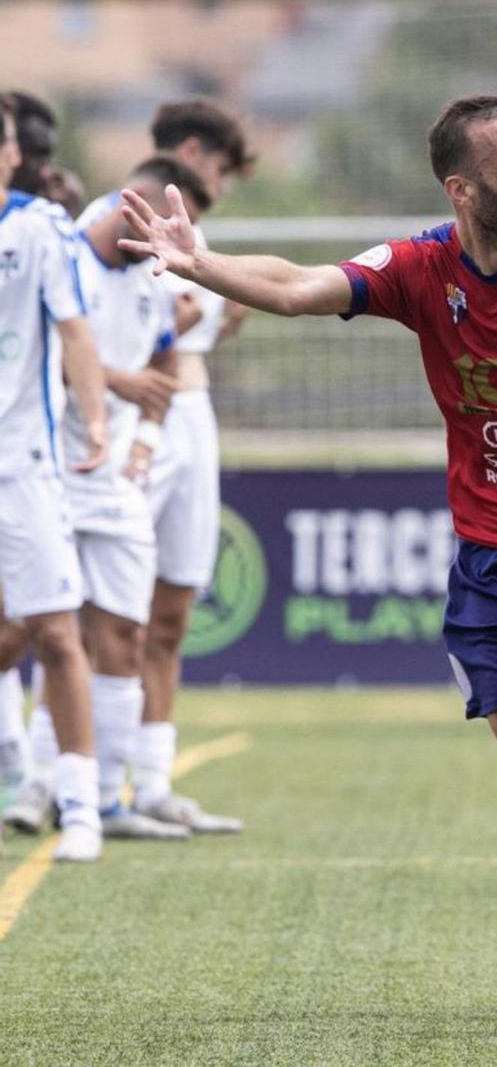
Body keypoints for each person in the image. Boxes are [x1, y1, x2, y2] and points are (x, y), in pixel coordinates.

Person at [118, 94, 497, 1014]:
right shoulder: (415, 269)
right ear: (461, 187)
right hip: (489, 563)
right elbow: (298, 286)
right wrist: (202, 263)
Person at [62, 157, 210, 841]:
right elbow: (39, 351)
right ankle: (35, 781)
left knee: (127, 631)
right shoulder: (60, 258)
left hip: (114, 475)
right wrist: (115, 383)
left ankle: (103, 800)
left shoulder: (153, 277)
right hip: (40, 470)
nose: (166, 241)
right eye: (156, 225)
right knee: (25, 631)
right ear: (129, 207)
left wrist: (147, 436)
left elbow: (162, 362)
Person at [133, 99, 255, 833]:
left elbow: (193, 333)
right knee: (99, 607)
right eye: (220, 167)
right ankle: (57, 772)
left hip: (192, 413)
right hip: (138, 418)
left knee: (173, 607)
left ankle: (151, 782)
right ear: (190, 151)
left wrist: (222, 318)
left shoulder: (193, 233)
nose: (222, 184)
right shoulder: (123, 217)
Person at [0, 95, 108, 862]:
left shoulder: (39, 229)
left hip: (22, 466)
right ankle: (23, 774)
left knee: (54, 632)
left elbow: (74, 330)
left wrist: (96, 421)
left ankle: (79, 806)